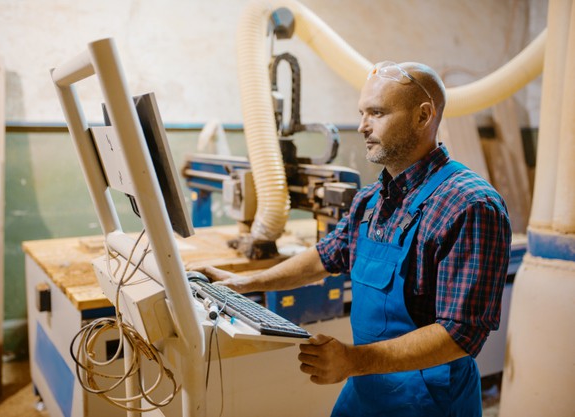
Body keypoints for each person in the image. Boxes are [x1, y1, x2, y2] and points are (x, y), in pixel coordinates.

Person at [197, 61, 512, 416]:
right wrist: (244, 282)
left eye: (377, 113)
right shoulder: (372, 198)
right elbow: (325, 257)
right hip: (368, 389)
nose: (362, 126)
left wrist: (351, 360)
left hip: (429, 401)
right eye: (362, 113)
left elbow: (460, 334)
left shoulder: (469, 205)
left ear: (423, 116)